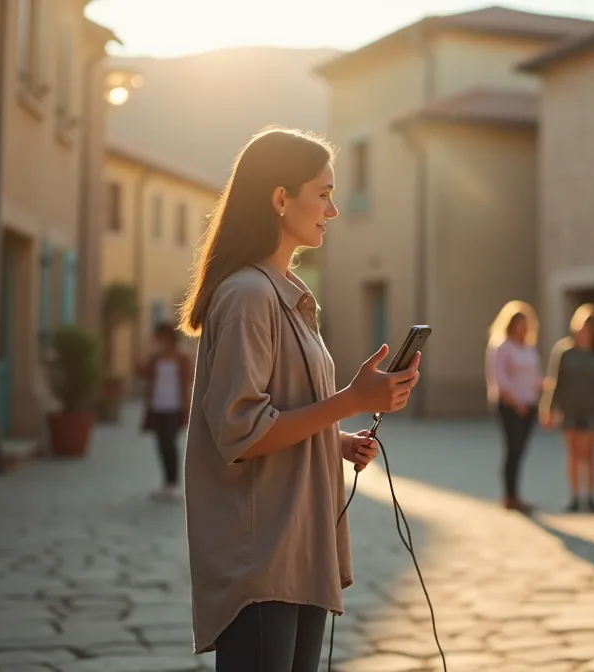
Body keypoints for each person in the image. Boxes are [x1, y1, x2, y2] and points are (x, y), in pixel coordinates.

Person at [176, 127, 423, 671]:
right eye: (325, 192)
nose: (332, 210)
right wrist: (353, 398)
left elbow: (275, 411)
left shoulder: (283, 291)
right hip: (260, 553)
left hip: (297, 546)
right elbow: (241, 433)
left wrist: (334, 439)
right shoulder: (247, 295)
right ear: (280, 198)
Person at [539, 303, 594, 513]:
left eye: (589, 328)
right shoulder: (564, 351)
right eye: (582, 327)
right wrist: (548, 409)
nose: (584, 332)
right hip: (569, 410)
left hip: (591, 410)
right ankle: (574, 496)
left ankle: (590, 496)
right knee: (572, 454)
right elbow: (555, 382)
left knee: (589, 455)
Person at [485, 301, 544, 514]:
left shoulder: (529, 348)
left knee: (520, 451)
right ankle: (510, 496)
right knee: (512, 449)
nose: (522, 328)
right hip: (510, 406)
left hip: (529, 405)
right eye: (519, 323)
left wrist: (544, 387)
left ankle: (516, 495)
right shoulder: (501, 346)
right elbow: (500, 379)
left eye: (525, 324)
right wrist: (514, 402)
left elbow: (533, 376)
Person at [136, 321, 193, 502]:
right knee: (161, 445)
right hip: (157, 407)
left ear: (169, 337)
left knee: (170, 443)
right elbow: (141, 371)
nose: (158, 340)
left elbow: (189, 379)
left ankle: (174, 484)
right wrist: (146, 350)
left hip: (175, 408)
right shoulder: (155, 358)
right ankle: (166, 484)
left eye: (160, 337)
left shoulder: (182, 358)